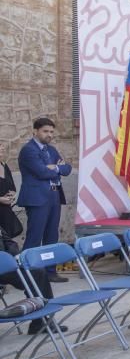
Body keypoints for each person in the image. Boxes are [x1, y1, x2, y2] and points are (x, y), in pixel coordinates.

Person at [16, 118, 72, 282]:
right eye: (45, 131)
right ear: (35, 131)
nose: (49, 135)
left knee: (51, 236)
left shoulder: (52, 150)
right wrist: (56, 168)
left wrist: (54, 167)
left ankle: (50, 272)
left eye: (51, 132)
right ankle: (29, 274)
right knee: (35, 236)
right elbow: (41, 172)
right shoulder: (28, 150)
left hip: (54, 196)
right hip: (37, 198)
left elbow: (67, 169)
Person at [0, 141, 23, 242]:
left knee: (6, 241)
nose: (2, 148)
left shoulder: (4, 165)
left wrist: (12, 194)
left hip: (5, 210)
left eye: (2, 147)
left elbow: (12, 187)